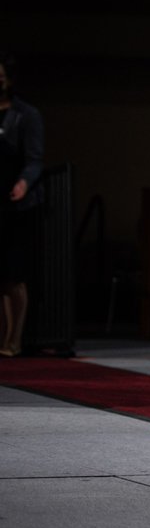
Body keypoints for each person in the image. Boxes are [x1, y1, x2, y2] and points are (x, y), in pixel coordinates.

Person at [0, 53, 43, 358]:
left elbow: (34, 159)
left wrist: (23, 184)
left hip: (15, 204)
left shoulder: (25, 115)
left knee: (14, 274)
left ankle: (14, 339)